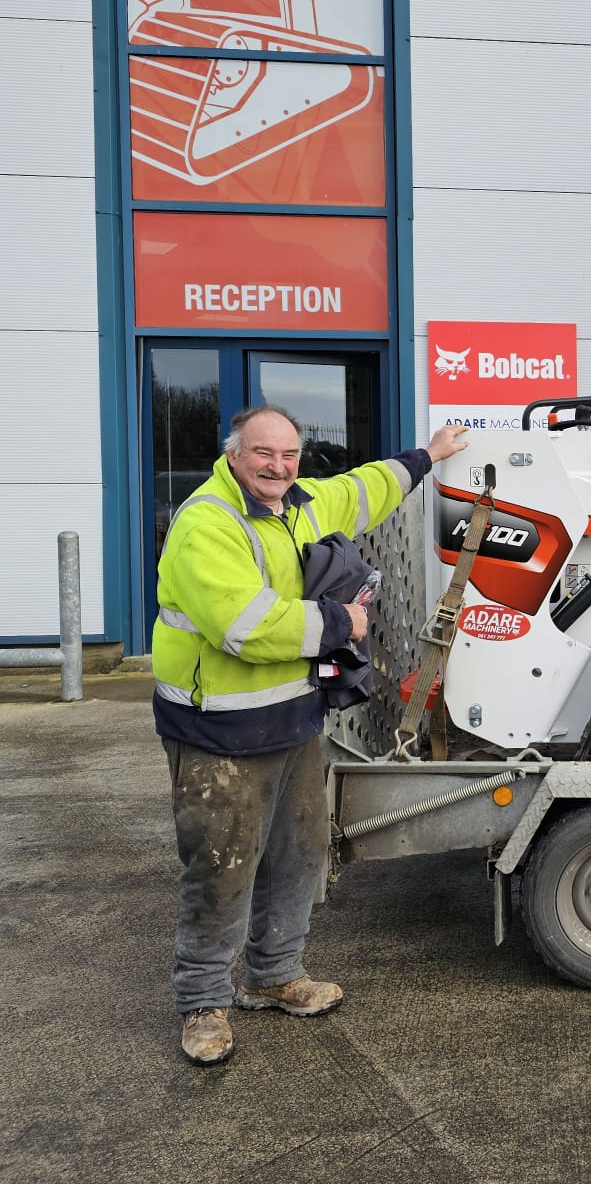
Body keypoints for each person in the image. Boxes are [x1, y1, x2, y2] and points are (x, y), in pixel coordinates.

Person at [153, 404, 470, 1065]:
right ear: (234, 454)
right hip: (217, 735)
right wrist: (340, 625)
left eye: (289, 455)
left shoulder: (301, 502)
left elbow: (363, 489)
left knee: (296, 857)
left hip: (290, 724)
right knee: (221, 868)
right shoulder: (208, 524)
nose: (277, 466)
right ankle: (204, 1003)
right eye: (263, 453)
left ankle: (272, 974)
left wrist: (429, 456)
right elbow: (244, 625)